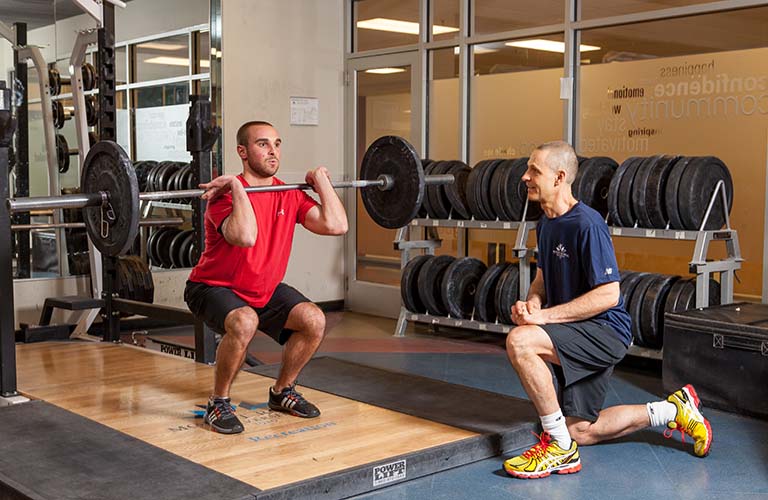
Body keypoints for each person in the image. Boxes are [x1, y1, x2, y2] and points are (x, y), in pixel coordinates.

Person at [502, 141, 712, 479]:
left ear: (559, 178)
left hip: (604, 330)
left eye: (534, 171)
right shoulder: (545, 224)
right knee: (581, 430)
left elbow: (609, 295)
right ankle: (671, 410)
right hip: (576, 330)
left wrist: (543, 319)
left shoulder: (588, 224)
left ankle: (558, 448)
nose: (525, 177)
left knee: (520, 342)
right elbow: (542, 277)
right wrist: (534, 304)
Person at [184, 120, 348, 434]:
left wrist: (320, 179)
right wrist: (235, 185)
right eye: (263, 144)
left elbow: (336, 225)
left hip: (262, 288)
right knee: (245, 321)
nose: (273, 151)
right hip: (211, 287)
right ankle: (218, 403)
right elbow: (245, 236)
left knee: (314, 319)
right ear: (242, 151)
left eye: (277, 143)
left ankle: (282, 392)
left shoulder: (288, 194)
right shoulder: (222, 198)